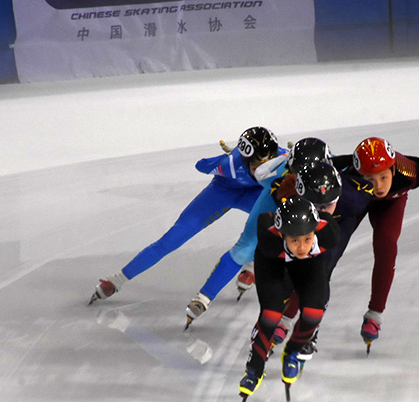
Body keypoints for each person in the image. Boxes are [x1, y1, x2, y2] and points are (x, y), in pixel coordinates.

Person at [88, 127, 284, 305]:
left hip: (256, 194)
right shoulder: (229, 165)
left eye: (268, 163)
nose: (263, 169)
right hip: (223, 192)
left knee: (280, 221)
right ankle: (118, 279)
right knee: (170, 240)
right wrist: (228, 158)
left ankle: (251, 263)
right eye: (257, 165)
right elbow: (201, 165)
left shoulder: (282, 157)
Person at [274, 137, 419, 354]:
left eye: (383, 177)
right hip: (355, 201)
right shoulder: (348, 177)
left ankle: (375, 314)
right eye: (370, 179)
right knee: (322, 257)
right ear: (359, 174)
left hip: (391, 205)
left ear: (393, 169)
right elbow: (324, 169)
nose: (378, 186)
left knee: (386, 246)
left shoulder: (411, 173)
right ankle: (287, 316)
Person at [184, 137, 334, 327]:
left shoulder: (330, 177)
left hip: (305, 208)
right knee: (244, 249)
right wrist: (280, 160)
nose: (299, 178)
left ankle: (254, 265)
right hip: (273, 201)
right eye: (296, 172)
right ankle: (204, 297)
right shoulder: (277, 173)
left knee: (300, 254)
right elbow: (260, 173)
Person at [238, 196, 340, 402]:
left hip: (310, 263)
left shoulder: (328, 235)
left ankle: (292, 351)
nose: (302, 247)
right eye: (295, 240)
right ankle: (254, 369)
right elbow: (265, 218)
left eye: (307, 239)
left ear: (315, 232)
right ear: (282, 234)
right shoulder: (270, 241)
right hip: (272, 261)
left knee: (314, 312)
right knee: (270, 315)